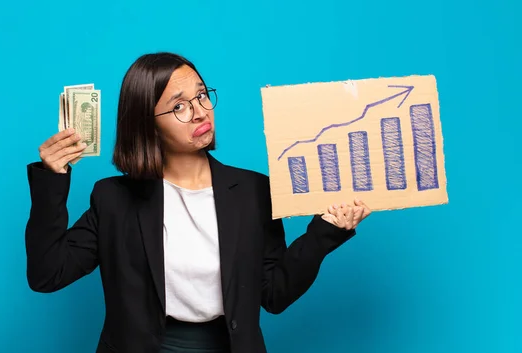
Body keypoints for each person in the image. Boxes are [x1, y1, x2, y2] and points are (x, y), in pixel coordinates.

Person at [25, 52, 371, 353]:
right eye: (179, 106)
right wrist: (51, 179)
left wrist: (324, 233)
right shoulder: (114, 198)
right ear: (147, 125)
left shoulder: (253, 191)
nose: (200, 112)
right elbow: (47, 275)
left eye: (202, 96)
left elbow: (274, 295)